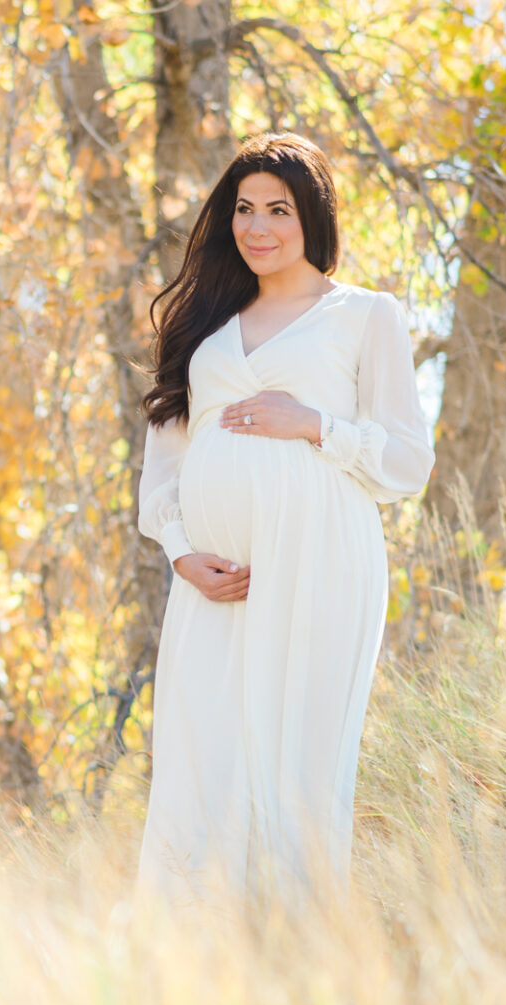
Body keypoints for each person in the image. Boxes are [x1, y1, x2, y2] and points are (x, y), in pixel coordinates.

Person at [131, 132, 435, 916]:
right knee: (201, 758)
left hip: (321, 564)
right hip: (213, 580)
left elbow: (406, 461)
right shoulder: (202, 320)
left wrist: (314, 424)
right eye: (243, 208)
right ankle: (185, 960)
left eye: (278, 209)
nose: (257, 227)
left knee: (294, 764)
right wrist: (180, 553)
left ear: (313, 217)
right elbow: (165, 462)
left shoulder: (365, 316)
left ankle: (290, 958)